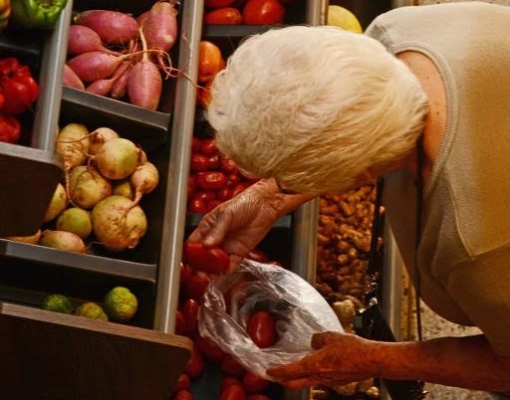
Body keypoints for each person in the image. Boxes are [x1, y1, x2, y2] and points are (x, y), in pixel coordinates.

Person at [187, 1, 510, 395]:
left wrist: (376, 358)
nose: (280, 185)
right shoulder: (400, 34)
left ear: (362, 176)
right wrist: (269, 197)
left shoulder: (478, 245)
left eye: (284, 179)